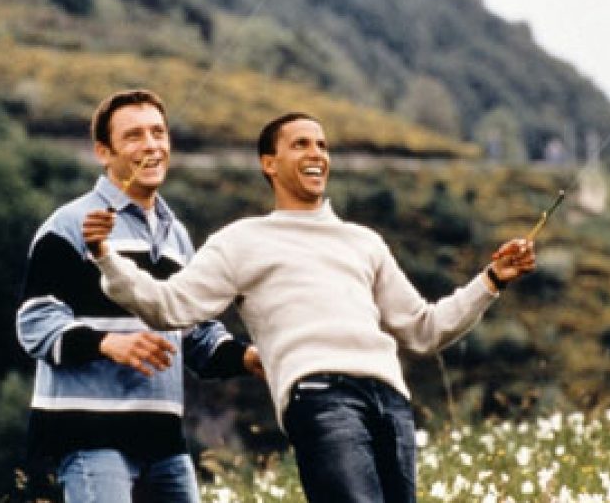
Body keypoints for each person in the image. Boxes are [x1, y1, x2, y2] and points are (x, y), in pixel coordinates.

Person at [83, 112, 536, 502]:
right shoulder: (242, 240)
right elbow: (168, 306)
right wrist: (106, 255)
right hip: (320, 395)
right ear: (269, 163)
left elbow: (425, 330)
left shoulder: (364, 242)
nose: (316, 153)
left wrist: (491, 280)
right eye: (300, 144)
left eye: (322, 145)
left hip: (391, 400)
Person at [16, 89, 263, 503]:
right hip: (87, 435)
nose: (151, 145)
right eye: (133, 136)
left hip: (162, 439)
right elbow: (35, 324)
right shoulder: (69, 224)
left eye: (158, 133)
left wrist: (246, 357)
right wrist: (108, 343)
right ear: (103, 152)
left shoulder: (175, 235)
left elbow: (194, 332)